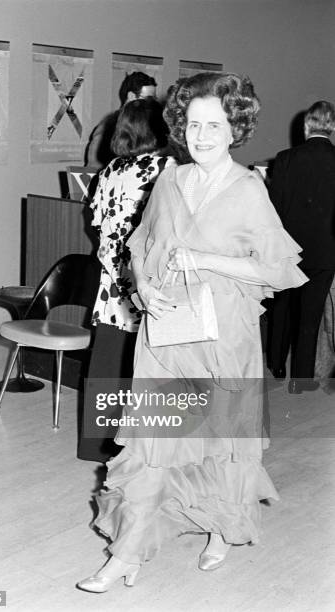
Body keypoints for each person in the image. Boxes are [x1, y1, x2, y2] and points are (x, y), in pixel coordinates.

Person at [77, 72, 308, 593]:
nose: (202, 136)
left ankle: (221, 531)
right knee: (150, 443)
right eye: (194, 124)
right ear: (181, 127)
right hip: (165, 336)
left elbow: (280, 270)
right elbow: (136, 248)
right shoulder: (168, 179)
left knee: (221, 443)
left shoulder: (249, 189)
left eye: (215, 125)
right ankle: (126, 554)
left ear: (235, 129)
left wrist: (206, 259)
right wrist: (143, 288)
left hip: (225, 341)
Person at [77, 97, 175, 462]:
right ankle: (142, 452)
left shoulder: (109, 172)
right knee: (149, 369)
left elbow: (96, 224)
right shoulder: (166, 168)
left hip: (112, 282)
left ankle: (96, 447)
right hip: (150, 282)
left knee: (106, 361)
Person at [267, 101, 335, 393]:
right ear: (332, 127)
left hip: (288, 248)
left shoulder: (285, 159)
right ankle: (301, 380)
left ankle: (276, 362)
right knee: (310, 317)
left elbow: (274, 209)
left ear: (307, 126)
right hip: (326, 250)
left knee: (282, 308)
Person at [84, 71, 157, 168]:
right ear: (131, 96)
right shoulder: (110, 126)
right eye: (148, 99)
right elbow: (93, 168)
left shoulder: (144, 125)